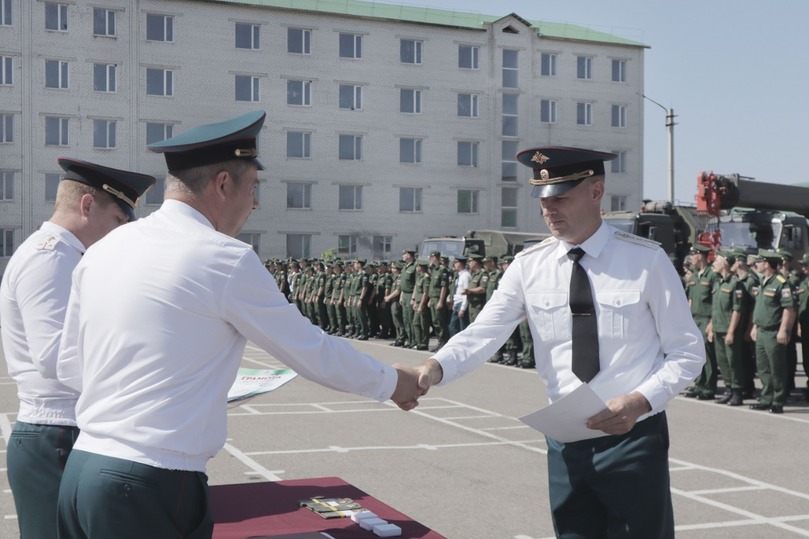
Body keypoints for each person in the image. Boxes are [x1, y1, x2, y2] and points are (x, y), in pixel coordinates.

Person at [54, 111, 422, 538]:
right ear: (223, 184)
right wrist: (395, 382)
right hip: (150, 481)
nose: (255, 204)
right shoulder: (222, 257)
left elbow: (69, 367)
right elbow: (311, 350)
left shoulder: (105, 246)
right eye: (253, 189)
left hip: (82, 471)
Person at [412, 146, 705, 537]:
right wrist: (433, 368)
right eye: (543, 199)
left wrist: (639, 401)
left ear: (596, 192)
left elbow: (687, 352)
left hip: (632, 436)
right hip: (565, 440)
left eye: (561, 197)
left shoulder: (646, 262)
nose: (548, 208)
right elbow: (484, 333)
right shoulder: (529, 266)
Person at [0, 158, 155, 538]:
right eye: (119, 221)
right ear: (87, 206)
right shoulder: (50, 258)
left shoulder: (70, 257)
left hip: (68, 430)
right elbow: (54, 359)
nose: (121, 234)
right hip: (55, 432)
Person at [749, 249, 796, 414]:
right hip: (762, 330)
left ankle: (778, 400)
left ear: (767, 264)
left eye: (760, 262)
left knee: (777, 368)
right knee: (763, 368)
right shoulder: (763, 281)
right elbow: (760, 307)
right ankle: (766, 398)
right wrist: (755, 326)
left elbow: (788, 308)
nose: (757, 264)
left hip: (774, 332)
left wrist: (784, 330)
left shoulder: (781, 283)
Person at [448, 255, 471, 337]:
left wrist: (463, 309)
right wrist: (454, 302)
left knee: (463, 327)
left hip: (462, 303)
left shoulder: (465, 275)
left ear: (460, 264)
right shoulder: (459, 275)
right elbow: (457, 291)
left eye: (456, 262)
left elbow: (466, 293)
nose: (454, 264)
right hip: (457, 302)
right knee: (452, 326)